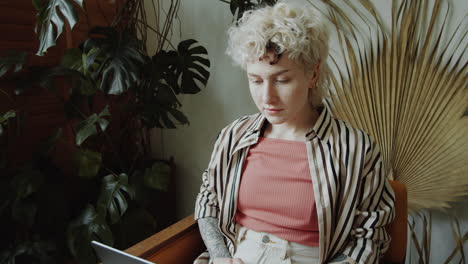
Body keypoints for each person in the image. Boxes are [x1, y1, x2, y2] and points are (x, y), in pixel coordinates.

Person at [194, 1, 395, 263]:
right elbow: (209, 202)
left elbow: (369, 238)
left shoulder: (355, 149)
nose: (267, 97)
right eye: (255, 80)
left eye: (282, 80)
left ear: (313, 74)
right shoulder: (233, 136)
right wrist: (221, 258)